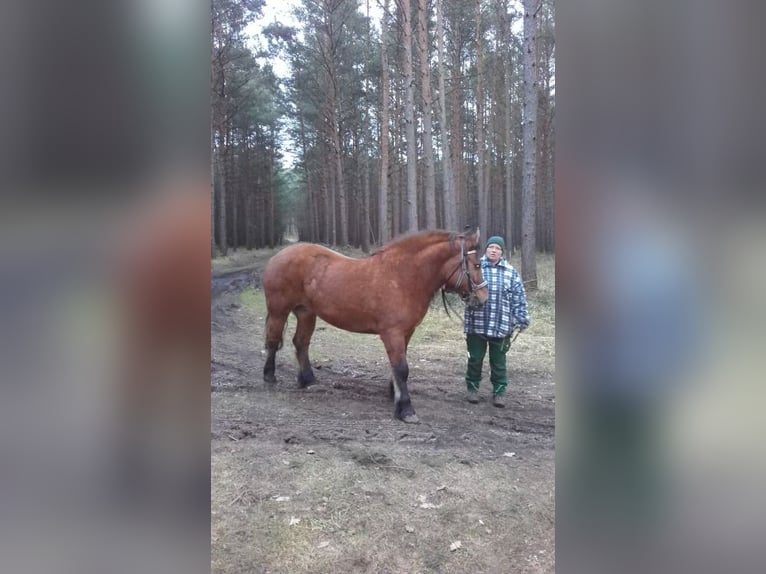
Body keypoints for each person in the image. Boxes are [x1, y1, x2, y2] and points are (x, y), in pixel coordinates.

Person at [463, 236, 530, 407]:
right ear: (486, 249)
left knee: (498, 362)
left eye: (497, 248)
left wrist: (522, 318)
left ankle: (499, 392)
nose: (494, 250)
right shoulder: (475, 269)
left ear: (502, 251)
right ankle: (472, 389)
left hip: (501, 325)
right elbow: (464, 291)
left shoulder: (510, 272)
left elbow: (519, 298)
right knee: (475, 359)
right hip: (477, 324)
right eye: (491, 247)